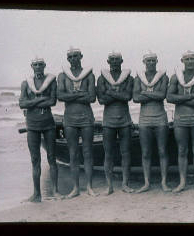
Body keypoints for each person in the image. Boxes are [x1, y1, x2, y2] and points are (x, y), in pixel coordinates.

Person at [166, 50, 194, 192]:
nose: (190, 61)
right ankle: (182, 182)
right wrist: (191, 96)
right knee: (182, 150)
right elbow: (169, 98)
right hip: (180, 119)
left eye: (192, 58)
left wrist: (181, 99)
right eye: (187, 59)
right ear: (182, 61)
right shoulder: (175, 78)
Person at [56, 47, 98, 198]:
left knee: (87, 152)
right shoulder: (62, 76)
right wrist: (81, 94)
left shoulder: (89, 75)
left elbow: (92, 97)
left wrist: (71, 95)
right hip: (70, 118)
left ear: (81, 56)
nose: (73, 58)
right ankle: (75, 188)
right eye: (71, 56)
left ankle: (90, 187)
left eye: (76, 56)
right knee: (73, 154)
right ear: (68, 59)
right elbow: (60, 96)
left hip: (86, 117)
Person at [19, 57, 60, 202]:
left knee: (52, 158)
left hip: (48, 123)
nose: (38, 67)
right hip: (32, 125)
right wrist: (40, 100)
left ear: (44, 65)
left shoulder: (51, 81)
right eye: (35, 64)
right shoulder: (26, 83)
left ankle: (55, 191)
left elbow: (53, 101)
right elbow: (21, 103)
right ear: (31, 66)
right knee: (35, 160)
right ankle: (37, 194)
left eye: (40, 64)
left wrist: (32, 103)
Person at [96, 51, 135, 195]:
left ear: (122, 60)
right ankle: (109, 186)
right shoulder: (101, 78)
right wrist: (119, 94)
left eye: (117, 59)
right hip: (108, 121)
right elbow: (101, 100)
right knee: (108, 154)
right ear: (108, 61)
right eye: (111, 59)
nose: (114, 61)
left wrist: (110, 92)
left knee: (126, 153)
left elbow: (128, 97)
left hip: (125, 120)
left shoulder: (129, 78)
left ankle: (125, 184)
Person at [133, 51, 171, 193]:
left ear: (157, 61)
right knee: (146, 152)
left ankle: (164, 182)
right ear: (144, 62)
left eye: (153, 60)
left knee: (162, 151)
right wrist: (153, 95)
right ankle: (146, 183)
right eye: (148, 61)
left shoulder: (163, 76)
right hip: (144, 119)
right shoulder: (139, 78)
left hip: (160, 117)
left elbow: (162, 95)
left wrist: (145, 93)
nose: (150, 63)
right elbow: (135, 98)